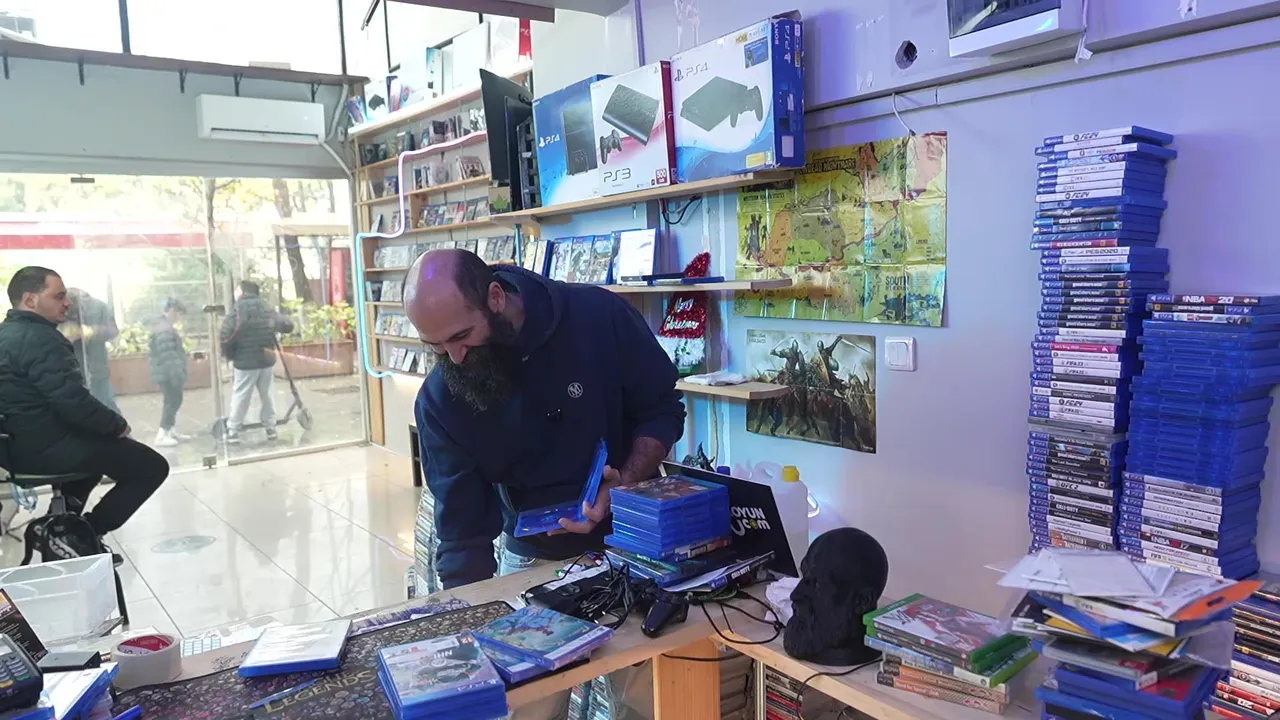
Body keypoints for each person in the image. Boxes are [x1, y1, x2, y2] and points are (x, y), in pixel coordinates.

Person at [404, 249, 686, 589]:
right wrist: (469, 611)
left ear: (496, 297)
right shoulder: (439, 399)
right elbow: (462, 532)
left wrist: (627, 480)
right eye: (434, 346)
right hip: (531, 556)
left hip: (640, 534)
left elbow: (661, 408)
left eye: (461, 336)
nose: (455, 358)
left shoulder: (599, 314)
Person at [0, 267, 169, 560]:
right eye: (59, 296)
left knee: (95, 452)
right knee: (151, 467)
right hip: (41, 448)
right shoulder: (41, 339)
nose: (67, 303)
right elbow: (73, 402)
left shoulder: (6, 334)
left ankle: (58, 527)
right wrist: (117, 426)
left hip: (13, 448)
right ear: (30, 300)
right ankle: (83, 534)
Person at [219, 281, 294, 443]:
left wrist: (230, 356)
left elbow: (225, 336)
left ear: (242, 291)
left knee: (241, 395)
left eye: (237, 290)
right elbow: (287, 325)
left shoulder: (237, 310)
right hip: (266, 360)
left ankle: (233, 430)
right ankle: (271, 428)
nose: (235, 293)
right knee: (267, 395)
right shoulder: (265, 308)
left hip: (245, 361)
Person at [63, 288, 121, 414]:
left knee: (106, 403)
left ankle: (117, 425)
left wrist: (93, 331)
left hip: (97, 366)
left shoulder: (99, 307)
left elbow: (113, 331)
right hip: (72, 368)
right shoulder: (60, 306)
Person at [148, 298, 190, 448]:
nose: (179, 317)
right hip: (168, 374)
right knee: (172, 401)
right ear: (172, 311)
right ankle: (162, 434)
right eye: (179, 313)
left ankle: (170, 430)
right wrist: (176, 375)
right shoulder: (165, 330)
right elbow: (168, 356)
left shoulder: (163, 326)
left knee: (173, 400)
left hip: (166, 372)